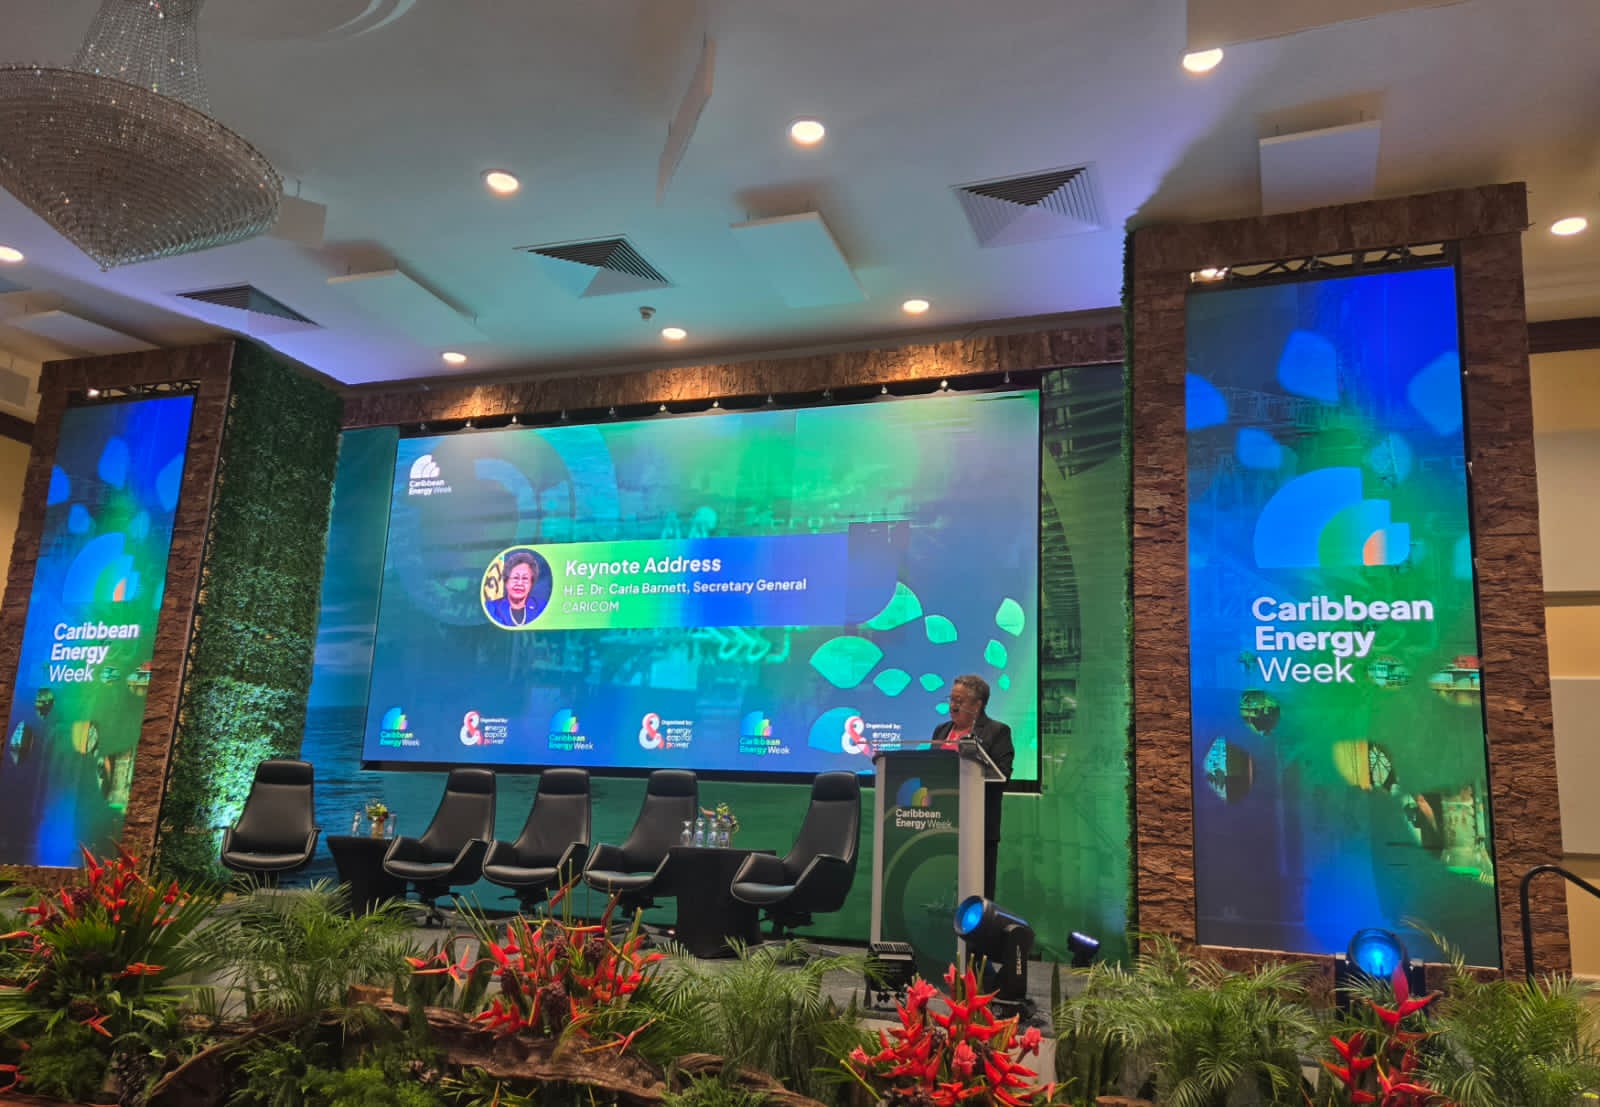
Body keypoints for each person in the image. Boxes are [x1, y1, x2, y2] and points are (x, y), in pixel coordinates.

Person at [929, 673, 1013, 900]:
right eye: (951, 699)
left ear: (977, 705)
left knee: (977, 895)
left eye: (960, 701)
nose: (953, 706)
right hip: (940, 823)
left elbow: (1002, 776)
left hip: (978, 827)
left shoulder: (997, 732)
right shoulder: (940, 731)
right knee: (941, 890)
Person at [485, 549, 547, 628]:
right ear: (506, 581)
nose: (520, 583)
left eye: (525, 578)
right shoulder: (491, 608)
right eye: (515, 578)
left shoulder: (542, 608)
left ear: (531, 583)